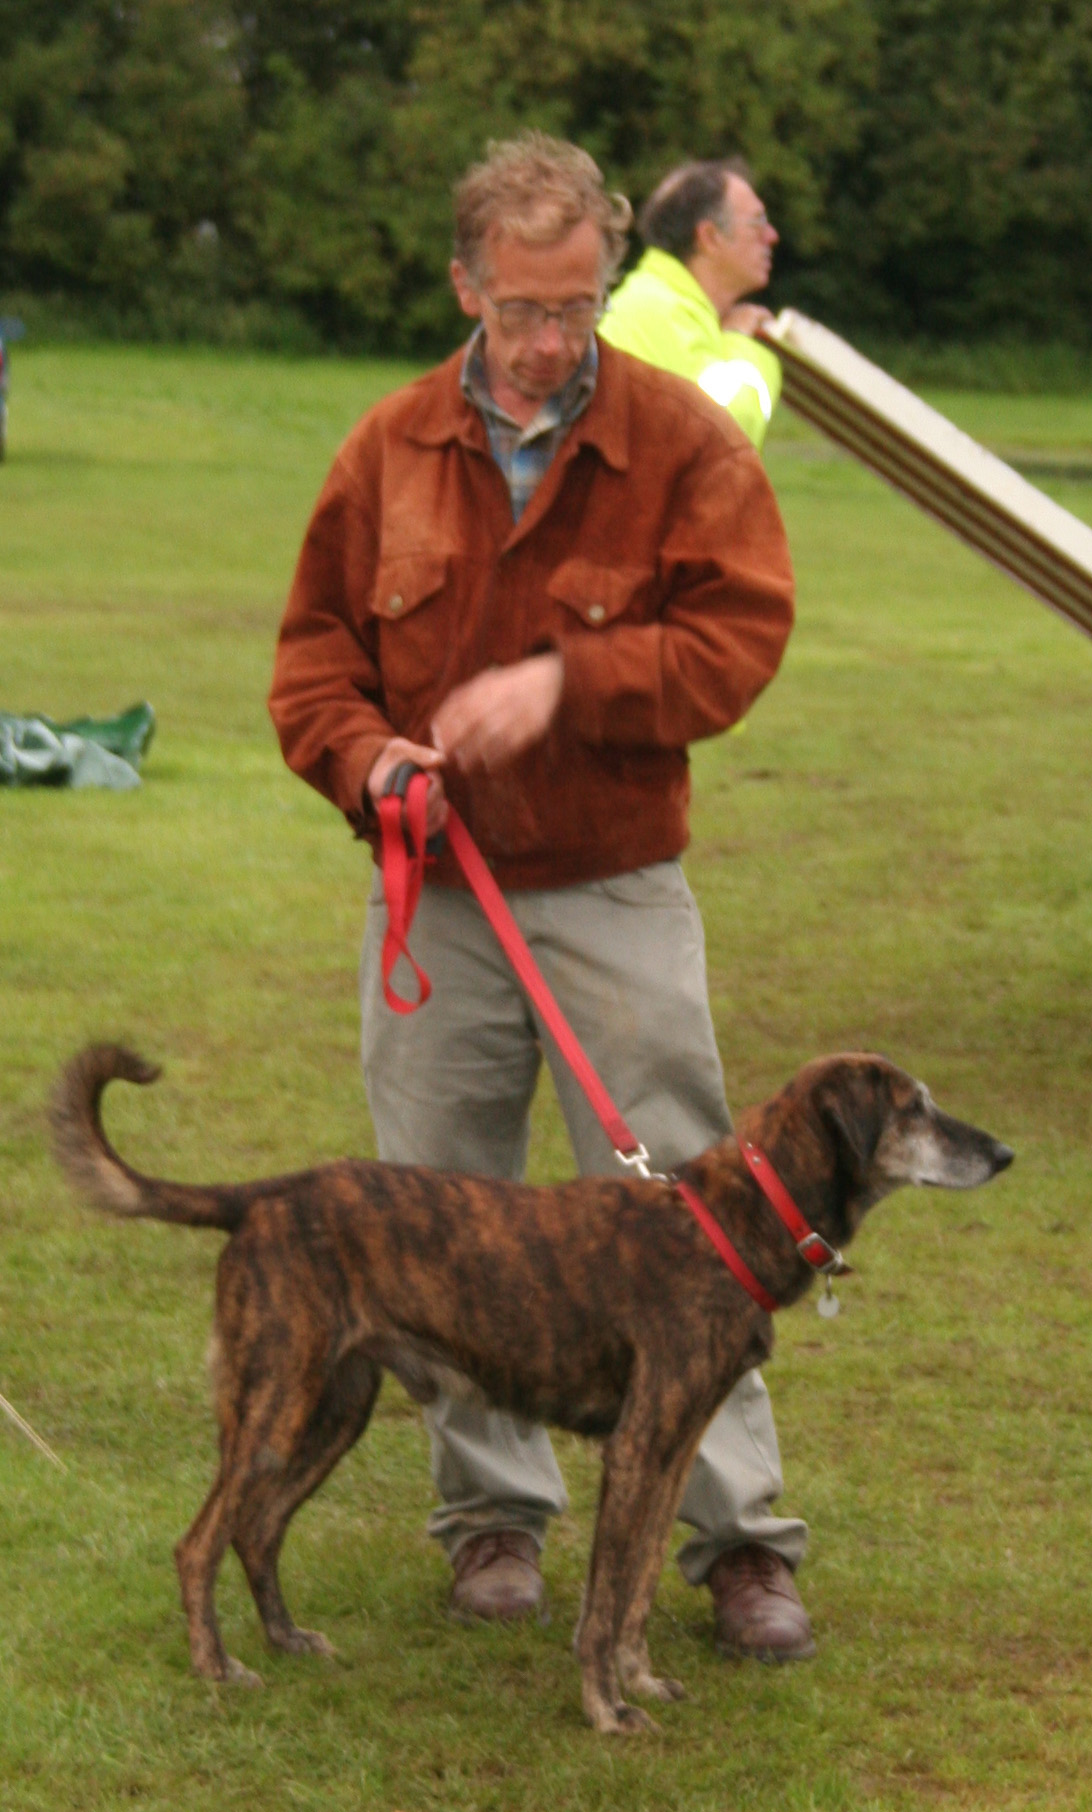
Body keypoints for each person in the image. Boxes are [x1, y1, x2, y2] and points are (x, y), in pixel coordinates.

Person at [269, 132, 813, 1663]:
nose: (553, 341)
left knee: (696, 1219)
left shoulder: (679, 441)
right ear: (465, 285)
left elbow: (739, 640)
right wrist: (370, 761)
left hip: (612, 885)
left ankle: (741, 1542)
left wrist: (571, 679)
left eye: (577, 305)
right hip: (434, 897)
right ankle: (491, 1521)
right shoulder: (385, 448)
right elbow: (313, 663)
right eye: (523, 308)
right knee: (442, 1215)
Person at [599, 157, 782, 450]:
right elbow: (727, 433)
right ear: (710, 237)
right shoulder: (658, 311)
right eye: (757, 223)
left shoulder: (665, 304)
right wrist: (745, 343)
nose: (772, 236)